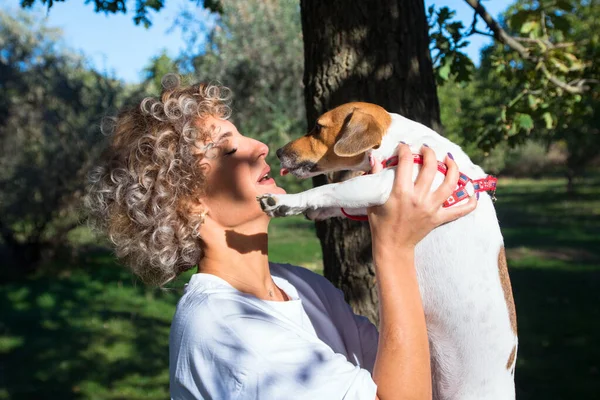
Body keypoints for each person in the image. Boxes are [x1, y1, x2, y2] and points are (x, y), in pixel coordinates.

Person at [85, 75, 477, 400]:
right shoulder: (226, 330)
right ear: (189, 204)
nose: (260, 147)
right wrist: (393, 249)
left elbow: (412, 375)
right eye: (227, 150)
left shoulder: (301, 286)